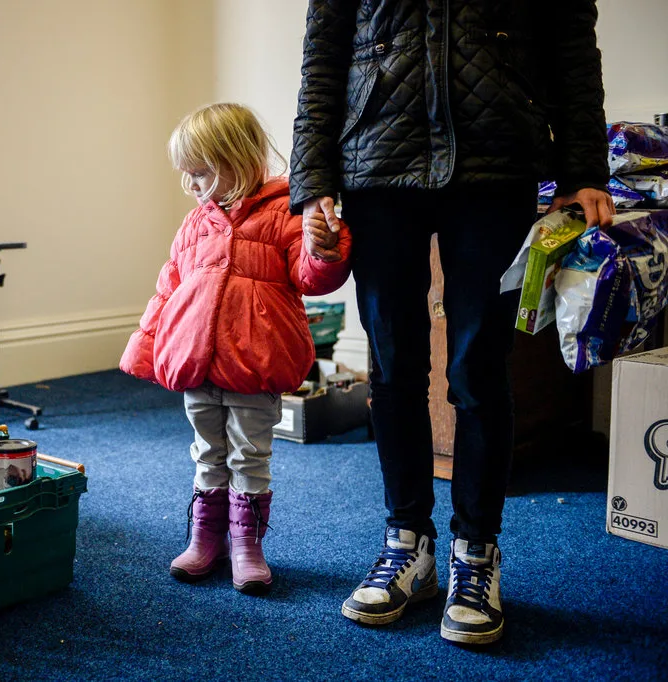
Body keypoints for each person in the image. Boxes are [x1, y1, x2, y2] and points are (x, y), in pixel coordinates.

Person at [290, 1, 613, 645]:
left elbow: (571, 45)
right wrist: (314, 181)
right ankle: (407, 542)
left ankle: (476, 554)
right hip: (376, 161)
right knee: (393, 368)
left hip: (498, 164)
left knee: (479, 371)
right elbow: (321, 60)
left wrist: (582, 172)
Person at [121, 102, 352, 595]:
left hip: (254, 362)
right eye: (184, 174)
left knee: (249, 455)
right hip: (196, 362)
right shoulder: (194, 224)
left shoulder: (286, 213)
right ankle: (206, 536)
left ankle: (246, 542)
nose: (189, 185)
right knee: (208, 451)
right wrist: (146, 346)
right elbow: (169, 288)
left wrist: (324, 248)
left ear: (238, 160)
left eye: (200, 173)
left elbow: (310, 278)